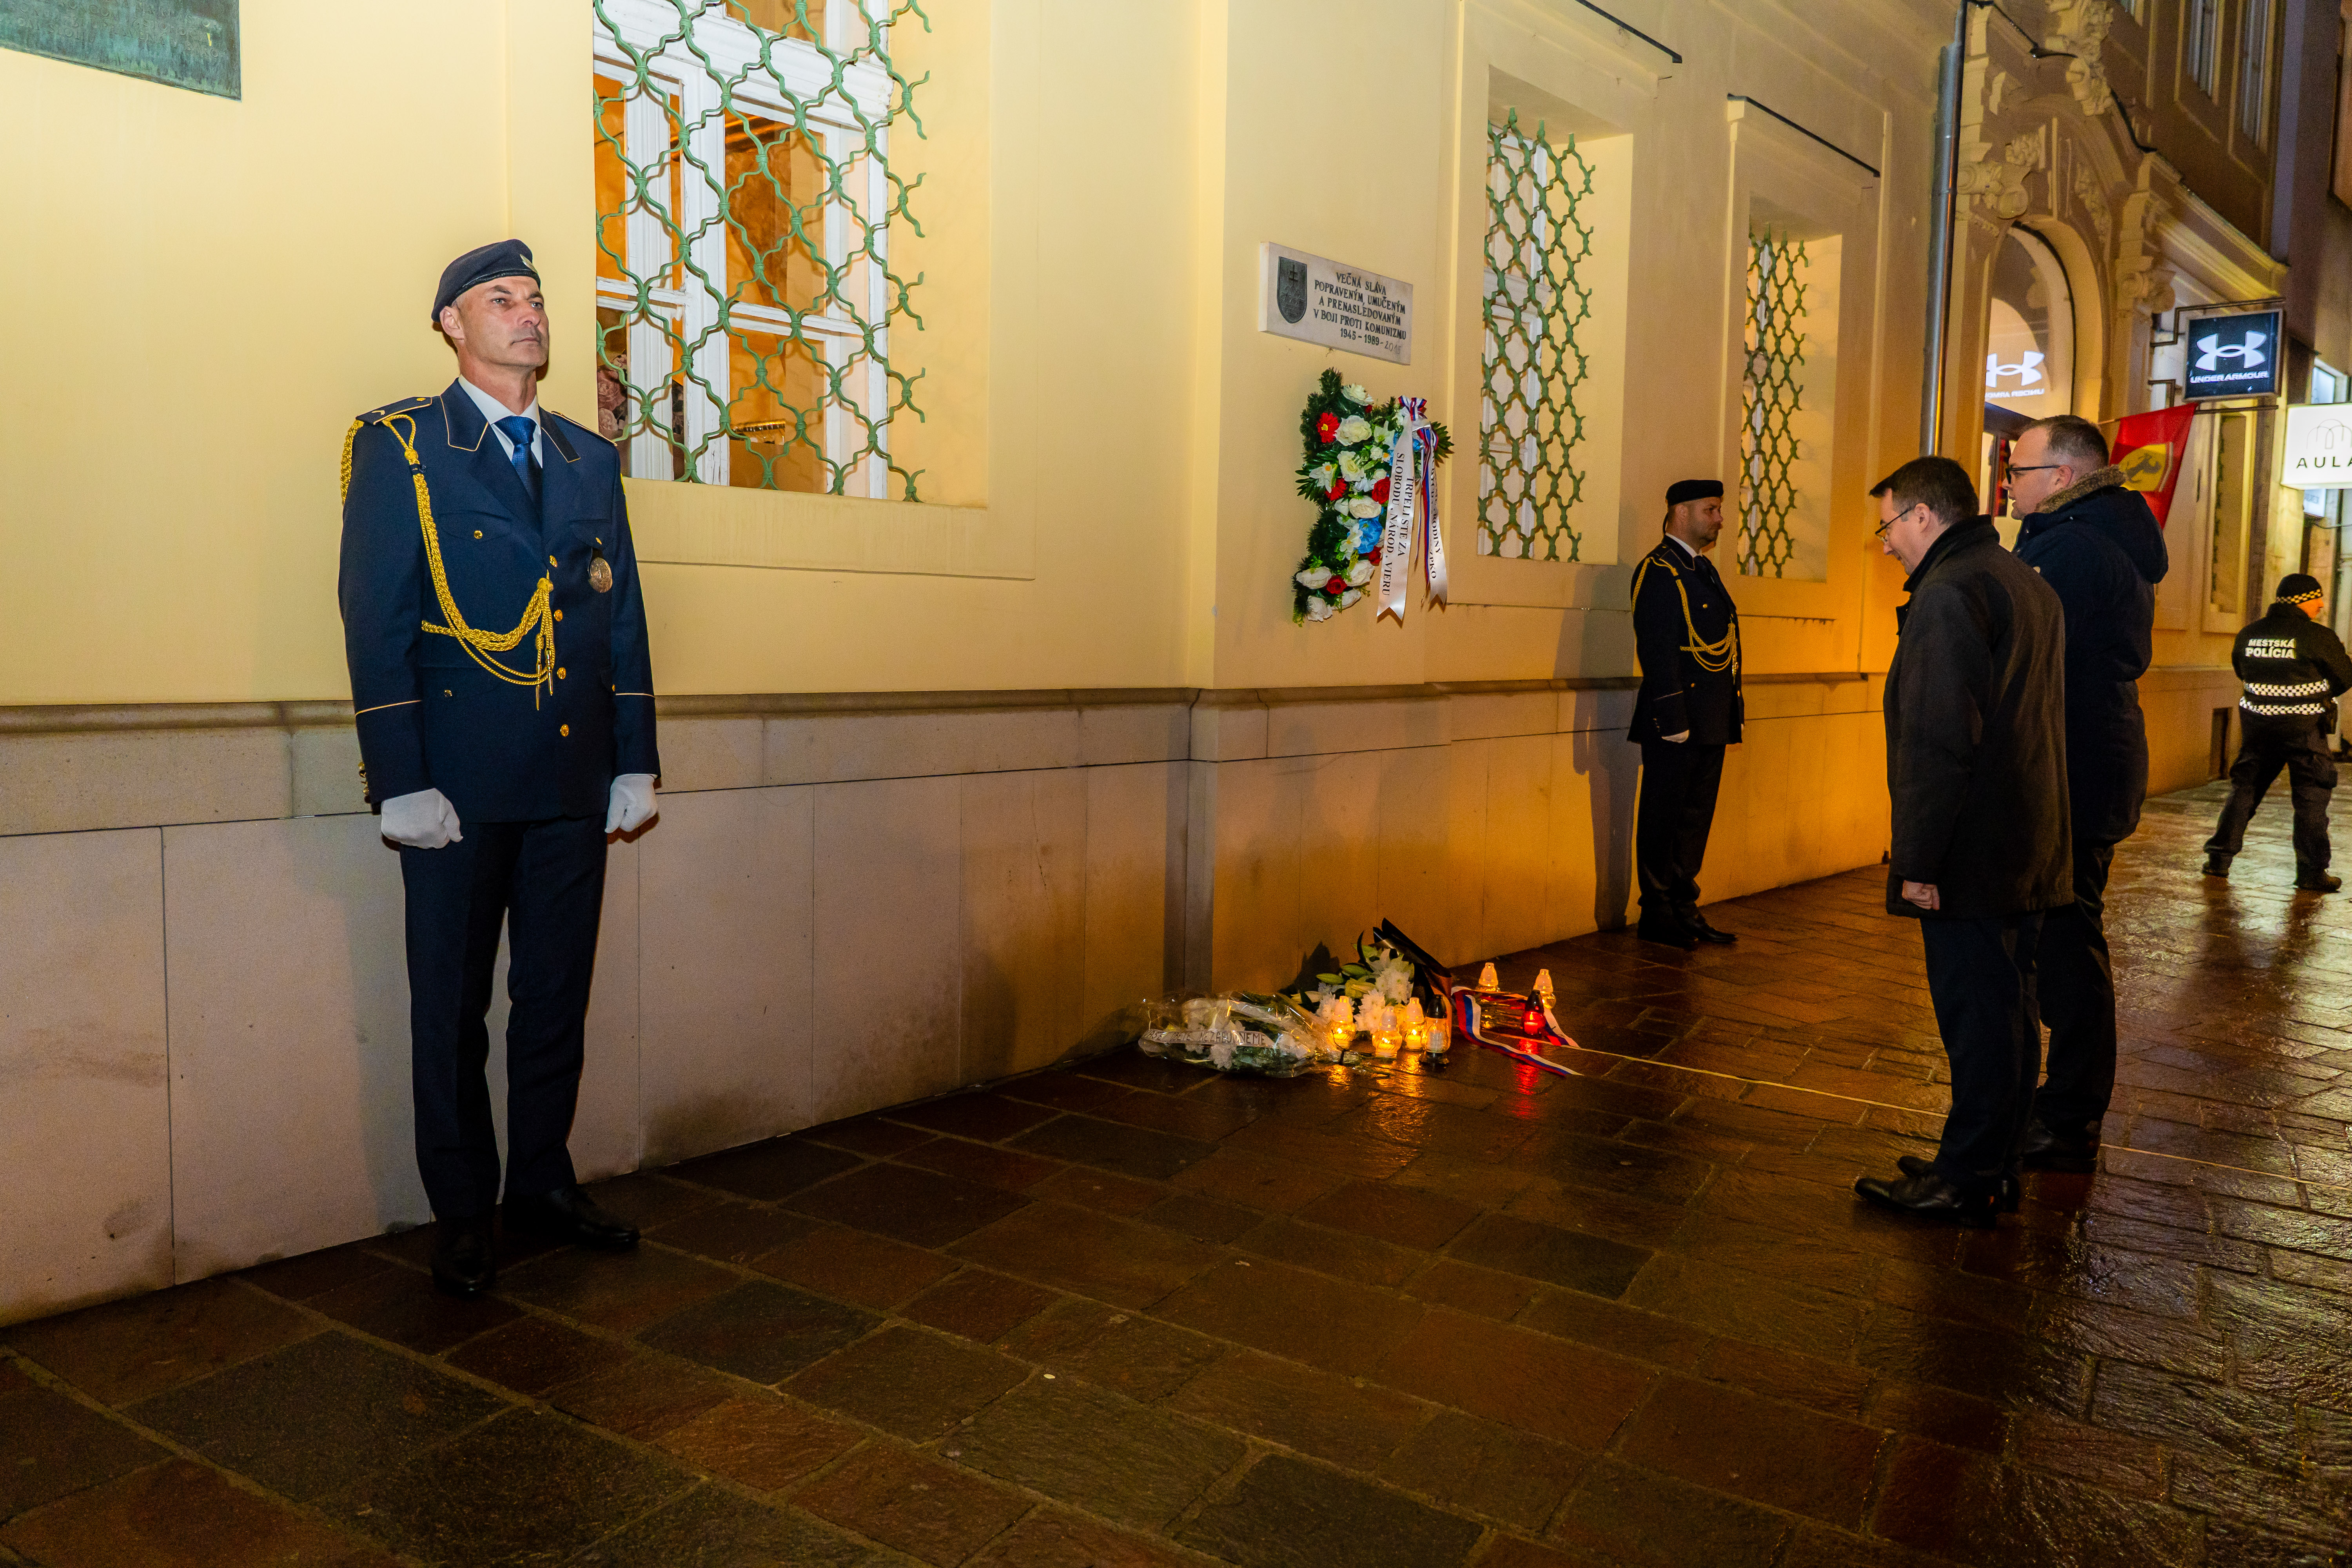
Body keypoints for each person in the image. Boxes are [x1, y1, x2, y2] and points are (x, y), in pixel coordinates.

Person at [340, 239, 662, 1298]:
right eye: (499, 299)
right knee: (451, 1008)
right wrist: (401, 779)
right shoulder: (404, 446)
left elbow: (619, 615)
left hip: (572, 779)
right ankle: (463, 1211)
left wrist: (635, 757)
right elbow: (377, 617)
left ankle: (543, 1183)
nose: (527, 314)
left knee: (555, 999)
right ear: (452, 325)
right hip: (459, 790)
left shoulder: (585, 458)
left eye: (534, 299)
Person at [1855, 457, 2071, 1227]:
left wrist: (1919, 860)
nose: (1885, 546)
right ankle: (1995, 1157)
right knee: (2009, 1009)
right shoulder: (2019, 578)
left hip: (1973, 848)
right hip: (2023, 837)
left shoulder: (1949, 594)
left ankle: (1968, 1173)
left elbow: (1939, 741)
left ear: (1921, 515)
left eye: (1887, 526)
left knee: (1979, 1016)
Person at [2005, 414, 2167, 1172]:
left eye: (2019, 470)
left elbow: (2021, 650)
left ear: (2062, 478)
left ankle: (2069, 1114)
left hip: (2075, 761)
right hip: (2093, 752)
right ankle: (2062, 1101)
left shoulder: (2071, 546)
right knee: (2061, 934)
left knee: (2067, 940)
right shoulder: (2095, 535)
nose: (2009, 483)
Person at [1627, 479, 1743, 949]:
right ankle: (1657, 910)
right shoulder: (1658, 570)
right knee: (1663, 817)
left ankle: (1683, 905)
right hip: (1675, 721)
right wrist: (1673, 720)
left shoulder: (1701, 570)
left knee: (1694, 819)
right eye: (1711, 510)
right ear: (1681, 512)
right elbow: (1656, 649)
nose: (1719, 519)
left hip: (1710, 717)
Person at [2203, 573, 2352, 892]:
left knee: (2245, 790)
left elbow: (2242, 671)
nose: (2322, 605)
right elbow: (2344, 676)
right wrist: (2312, 692)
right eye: (2318, 598)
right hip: (2304, 729)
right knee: (2312, 796)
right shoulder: (2317, 636)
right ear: (2303, 600)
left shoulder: (2249, 634)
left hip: (2258, 726)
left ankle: (2218, 861)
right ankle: (2312, 872)